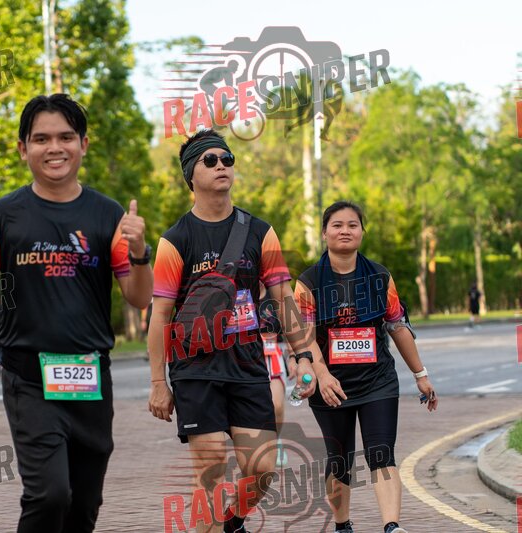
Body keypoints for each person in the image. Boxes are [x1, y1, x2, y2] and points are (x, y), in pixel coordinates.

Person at [0, 94, 153, 533]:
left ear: (83, 144)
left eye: (65, 137)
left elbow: (139, 298)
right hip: (29, 379)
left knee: (84, 503)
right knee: (49, 494)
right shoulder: (2, 216)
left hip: (90, 377)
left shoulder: (108, 215)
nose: (54, 148)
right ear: (23, 148)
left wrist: (139, 252)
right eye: (41, 139)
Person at [147, 129, 324, 533]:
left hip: (247, 364)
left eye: (227, 159)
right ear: (191, 175)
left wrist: (303, 357)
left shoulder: (260, 231)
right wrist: (159, 382)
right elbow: (160, 316)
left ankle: (232, 521)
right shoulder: (175, 240)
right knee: (210, 470)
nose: (221, 166)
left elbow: (283, 298)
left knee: (262, 468)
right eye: (210, 160)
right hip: (195, 367)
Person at [294, 201, 438, 533]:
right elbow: (304, 336)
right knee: (339, 460)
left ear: (362, 231)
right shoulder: (308, 281)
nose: (345, 231)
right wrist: (322, 375)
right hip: (331, 384)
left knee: (381, 453)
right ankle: (342, 524)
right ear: (325, 232)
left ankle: (391, 526)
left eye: (352, 225)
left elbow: (398, 327)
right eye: (337, 225)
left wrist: (421, 375)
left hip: (378, 381)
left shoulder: (379, 276)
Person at [257, 282, 289, 468]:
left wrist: (295, 357)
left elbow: (289, 324)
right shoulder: (239, 292)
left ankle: (275, 441)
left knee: (276, 405)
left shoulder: (273, 293)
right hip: (246, 356)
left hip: (272, 356)